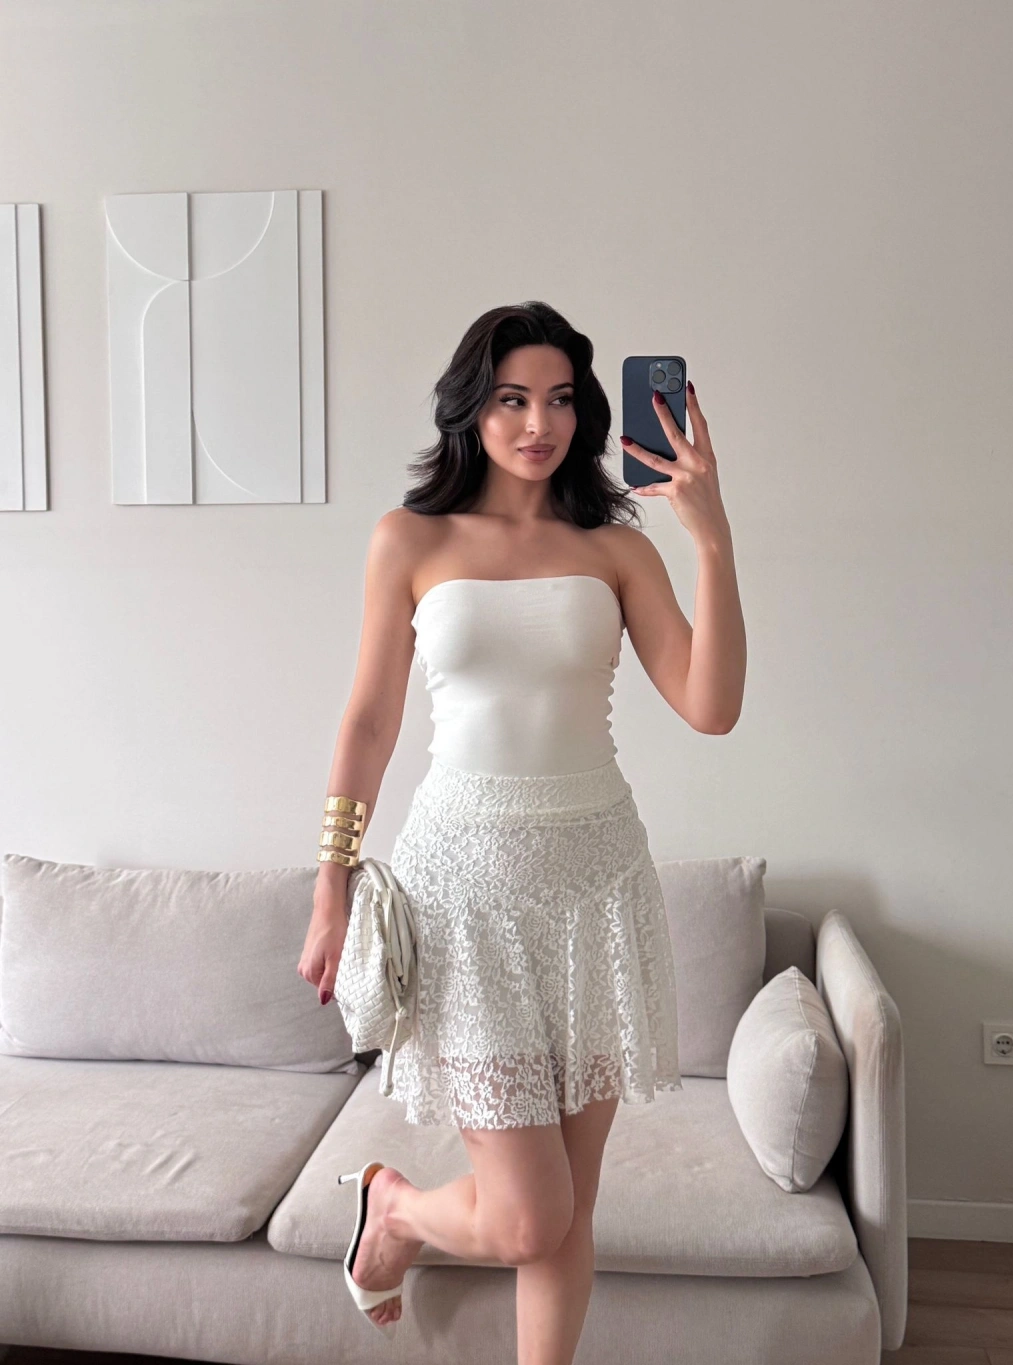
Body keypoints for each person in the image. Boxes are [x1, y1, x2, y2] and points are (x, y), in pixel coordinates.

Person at [297, 300, 746, 1358]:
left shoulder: (615, 548)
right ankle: (395, 1210)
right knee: (530, 1216)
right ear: (471, 408)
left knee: (566, 1215)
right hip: (461, 894)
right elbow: (369, 721)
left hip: (597, 887)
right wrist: (332, 881)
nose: (538, 423)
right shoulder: (410, 539)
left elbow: (712, 705)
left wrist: (711, 535)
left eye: (558, 400)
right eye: (511, 399)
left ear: (586, 412)